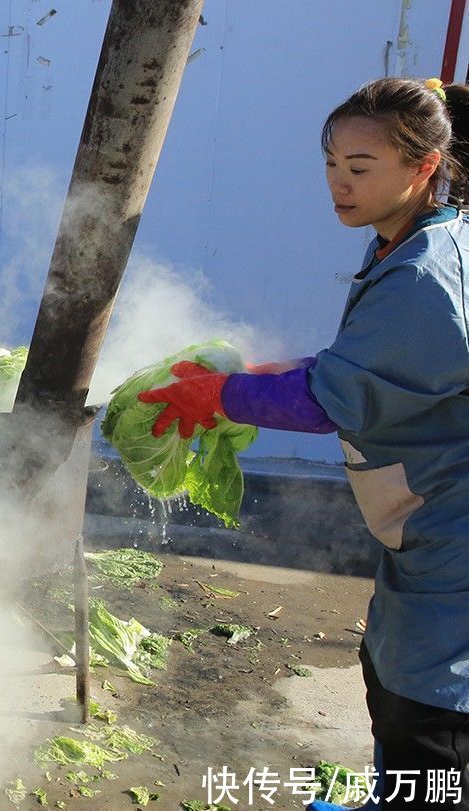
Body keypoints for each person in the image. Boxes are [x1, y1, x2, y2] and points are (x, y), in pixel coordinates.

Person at [139, 77, 469, 810]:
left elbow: (330, 398)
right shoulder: (413, 241)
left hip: (454, 533)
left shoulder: (422, 274)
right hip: (427, 526)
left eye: (360, 168)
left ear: (422, 167)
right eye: (330, 164)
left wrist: (218, 393)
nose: (338, 185)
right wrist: (260, 373)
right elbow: (360, 365)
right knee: (391, 672)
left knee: (430, 706)